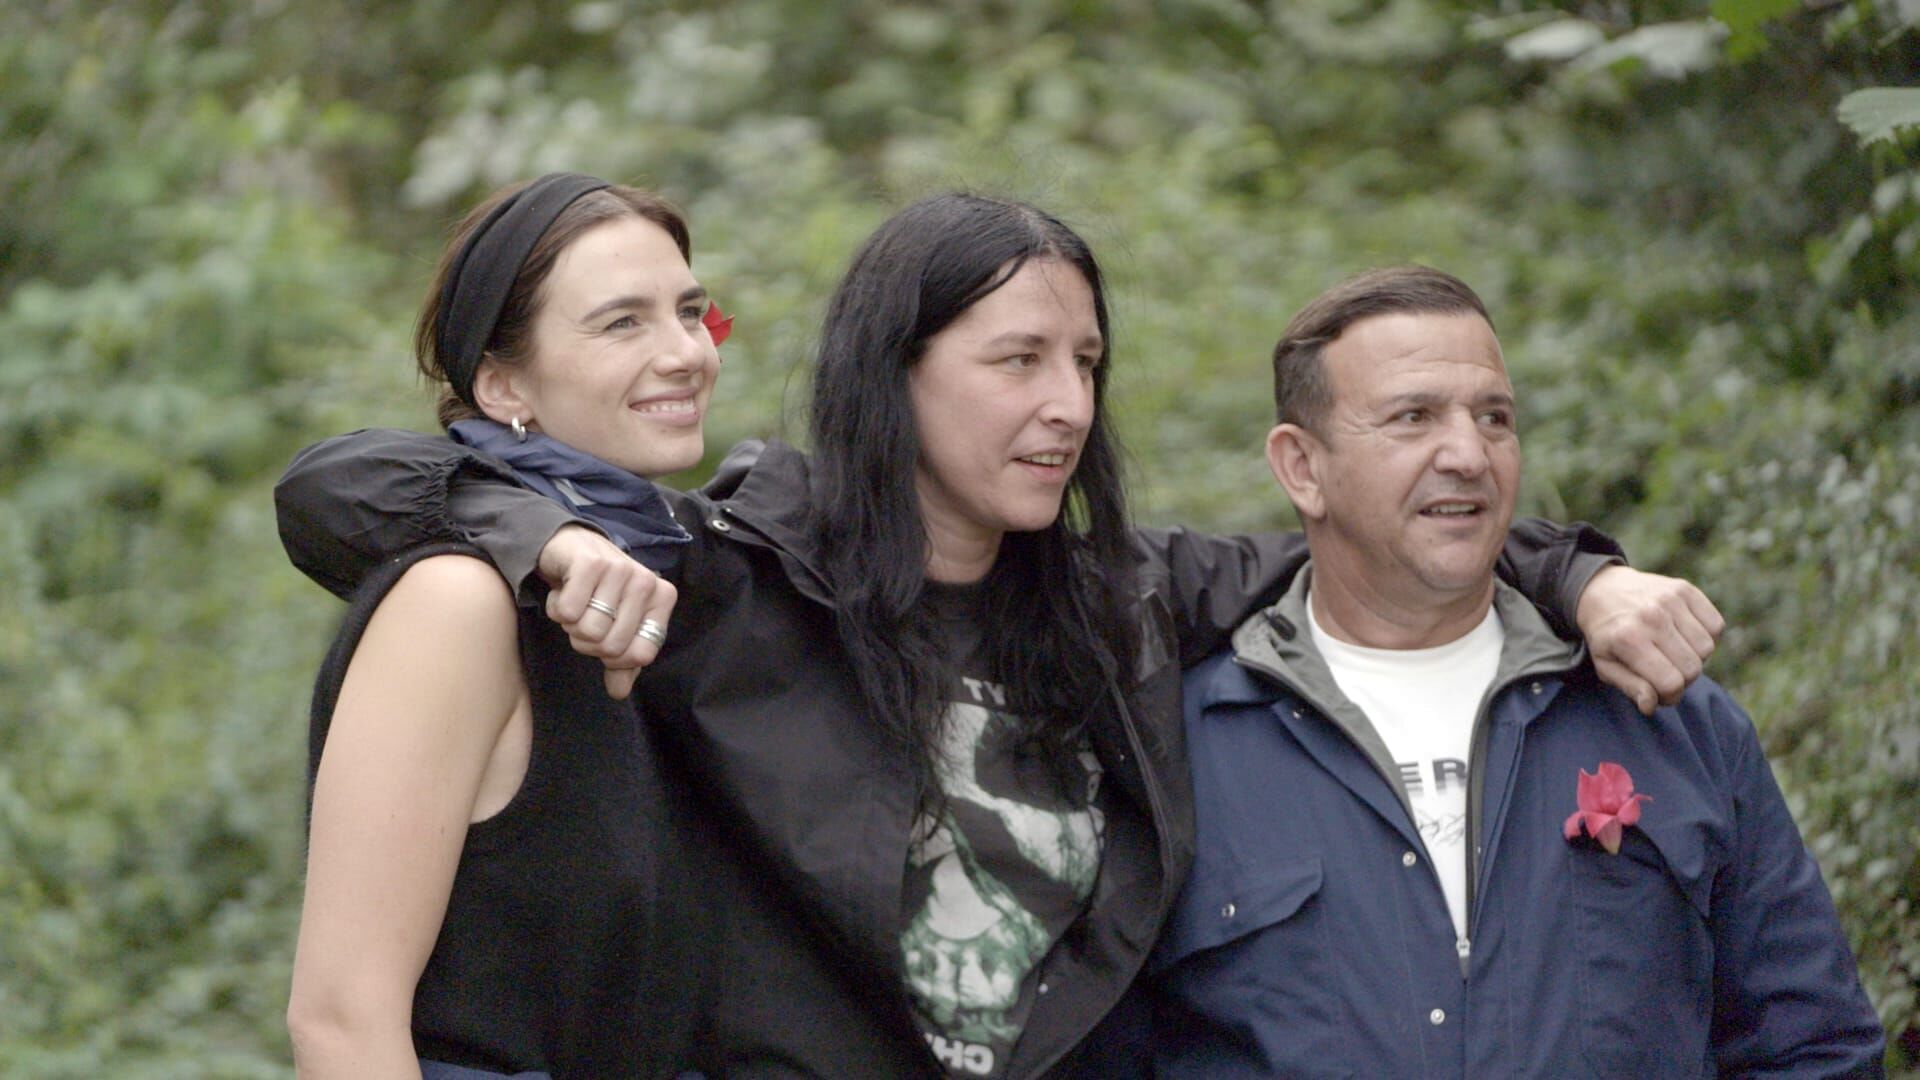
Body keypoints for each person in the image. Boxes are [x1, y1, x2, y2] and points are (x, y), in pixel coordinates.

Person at [276, 195, 1722, 1077]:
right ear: (891, 377)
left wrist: (1579, 576)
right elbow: (349, 488)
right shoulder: (742, 578)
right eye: (1016, 360)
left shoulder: (1128, 600)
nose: (1066, 406)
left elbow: (1368, 526)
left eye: (1085, 361)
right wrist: (551, 537)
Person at [1130, 266, 1884, 1076]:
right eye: (1413, 417)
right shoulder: (1182, 749)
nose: (1468, 454)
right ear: (1302, 468)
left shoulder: (1665, 715)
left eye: (1495, 418)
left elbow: (1814, 1048)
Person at [285, 174, 727, 1077]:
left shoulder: (681, 566)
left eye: (691, 311)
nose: (687, 352)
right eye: (623, 322)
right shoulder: (460, 602)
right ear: (502, 382)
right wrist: (544, 537)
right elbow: (340, 1019)